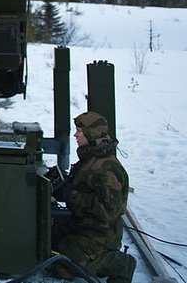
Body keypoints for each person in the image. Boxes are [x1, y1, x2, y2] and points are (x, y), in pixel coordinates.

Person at [50, 111, 136, 282]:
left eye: (79, 131)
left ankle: (119, 263)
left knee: (62, 267)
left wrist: (70, 195)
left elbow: (109, 212)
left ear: (92, 134)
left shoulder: (107, 169)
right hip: (82, 224)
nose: (75, 135)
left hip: (100, 234)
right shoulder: (91, 157)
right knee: (46, 244)